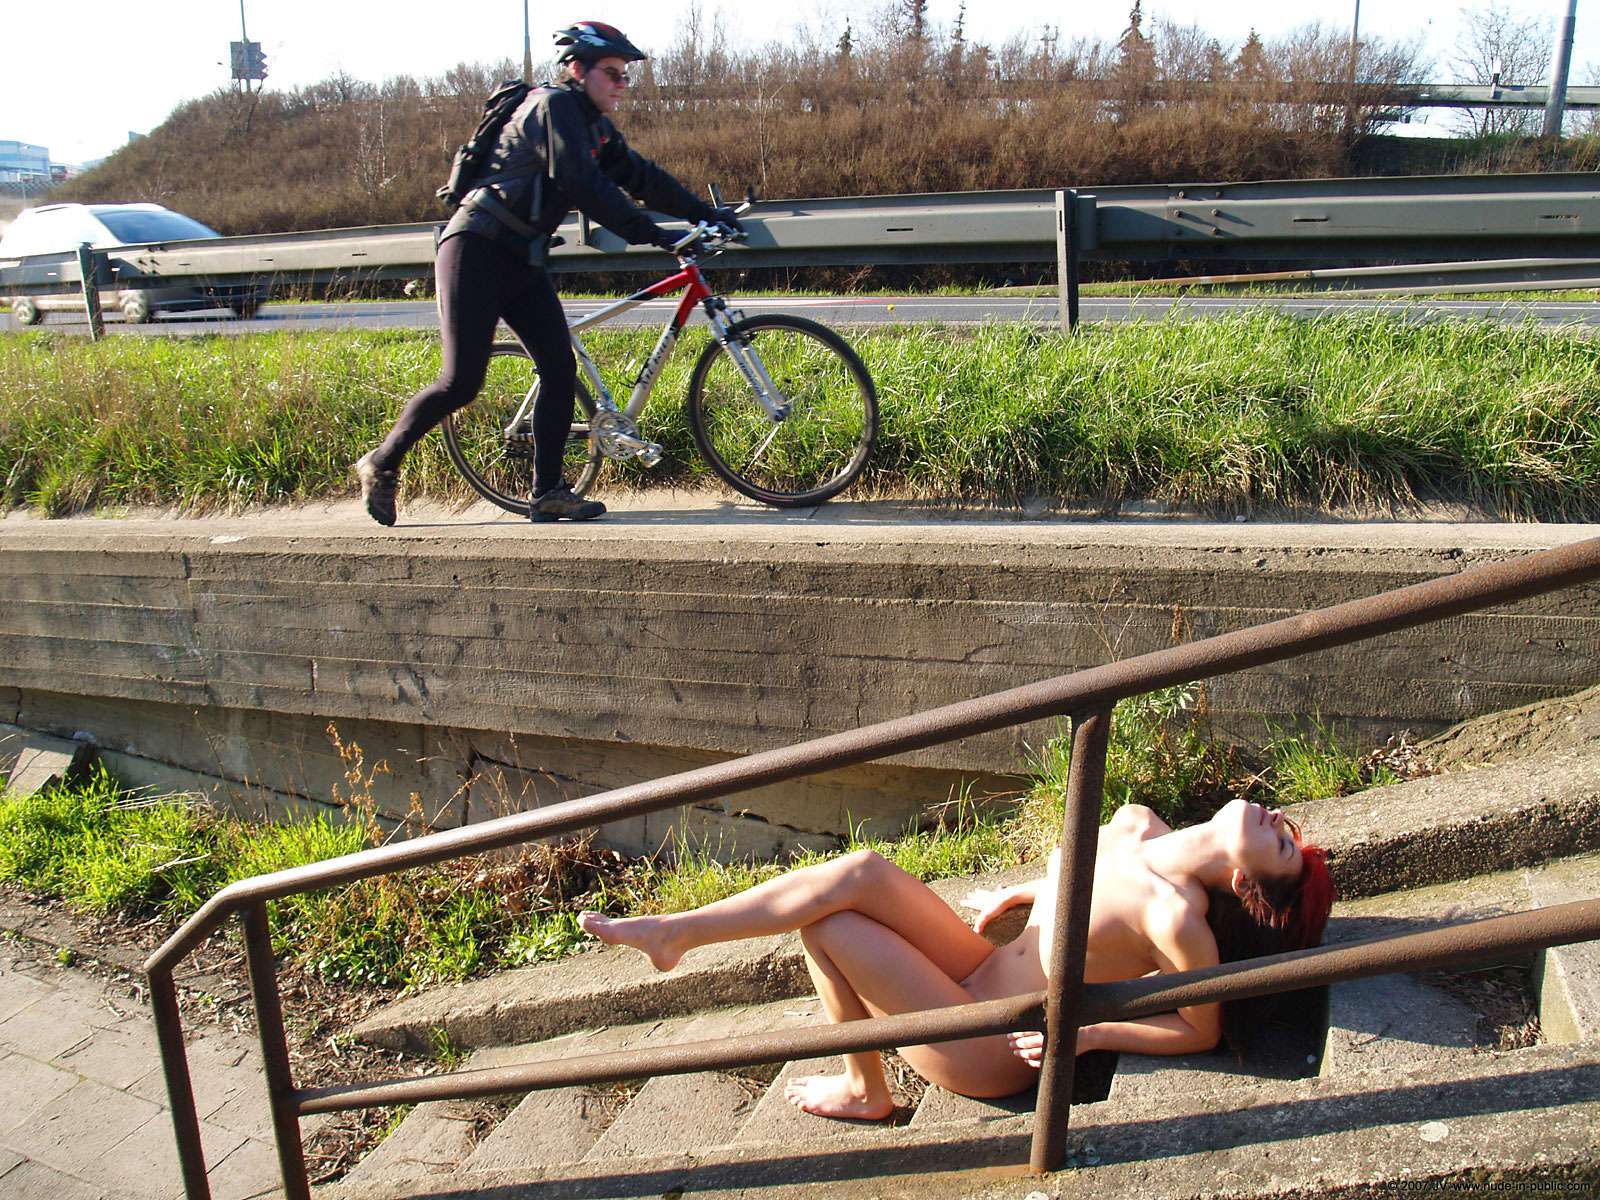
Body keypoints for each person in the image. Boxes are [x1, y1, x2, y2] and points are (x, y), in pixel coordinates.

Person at [579, 798, 1334, 1120]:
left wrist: (1090, 1033)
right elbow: (1089, 880)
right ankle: (678, 932)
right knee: (862, 871)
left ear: (1247, 884)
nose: (1277, 821)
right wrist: (1027, 890)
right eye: (1286, 828)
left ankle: (865, 1090)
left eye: (1279, 847)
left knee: (831, 929)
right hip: (979, 967)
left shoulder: (1176, 920)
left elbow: (1202, 1030)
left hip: (988, 1041)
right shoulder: (1140, 825)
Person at [354, 20, 744, 526]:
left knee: (559, 368)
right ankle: (382, 462)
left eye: (625, 75)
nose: (621, 84)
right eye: (612, 73)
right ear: (578, 70)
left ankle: (549, 493)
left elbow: (641, 177)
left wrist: (703, 213)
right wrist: (653, 232)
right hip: (475, 248)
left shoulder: (594, 127)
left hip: (523, 258)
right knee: (461, 382)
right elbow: (581, 183)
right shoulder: (552, 107)